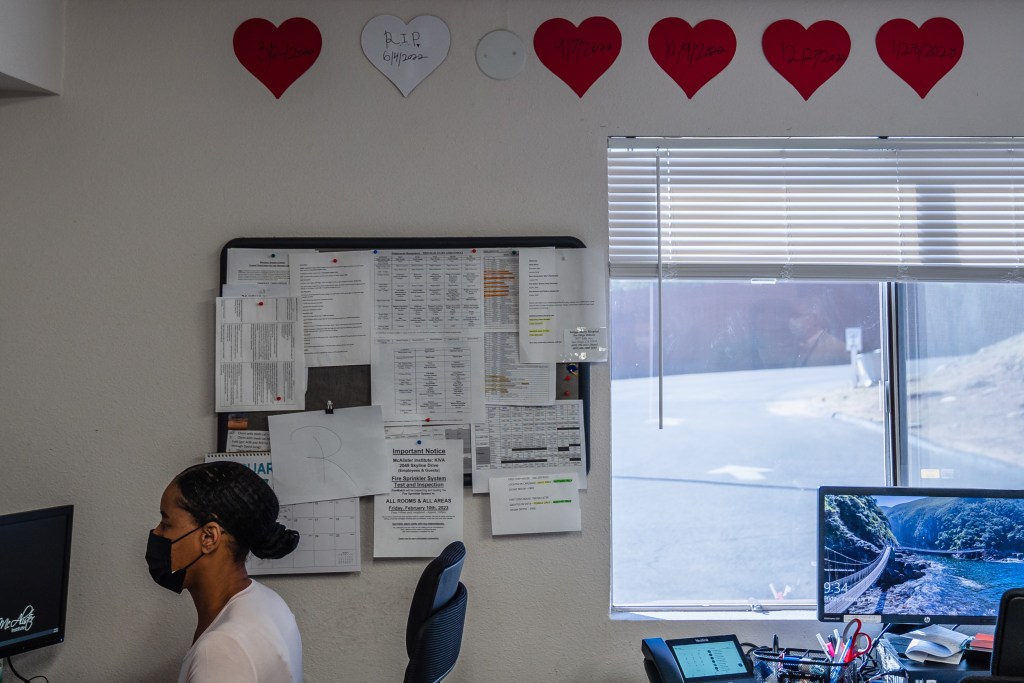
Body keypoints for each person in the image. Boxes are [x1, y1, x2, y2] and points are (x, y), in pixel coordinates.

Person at [146, 461, 303, 682]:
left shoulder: (222, 649)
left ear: (209, 537)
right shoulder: (268, 601)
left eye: (166, 522)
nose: (157, 532)